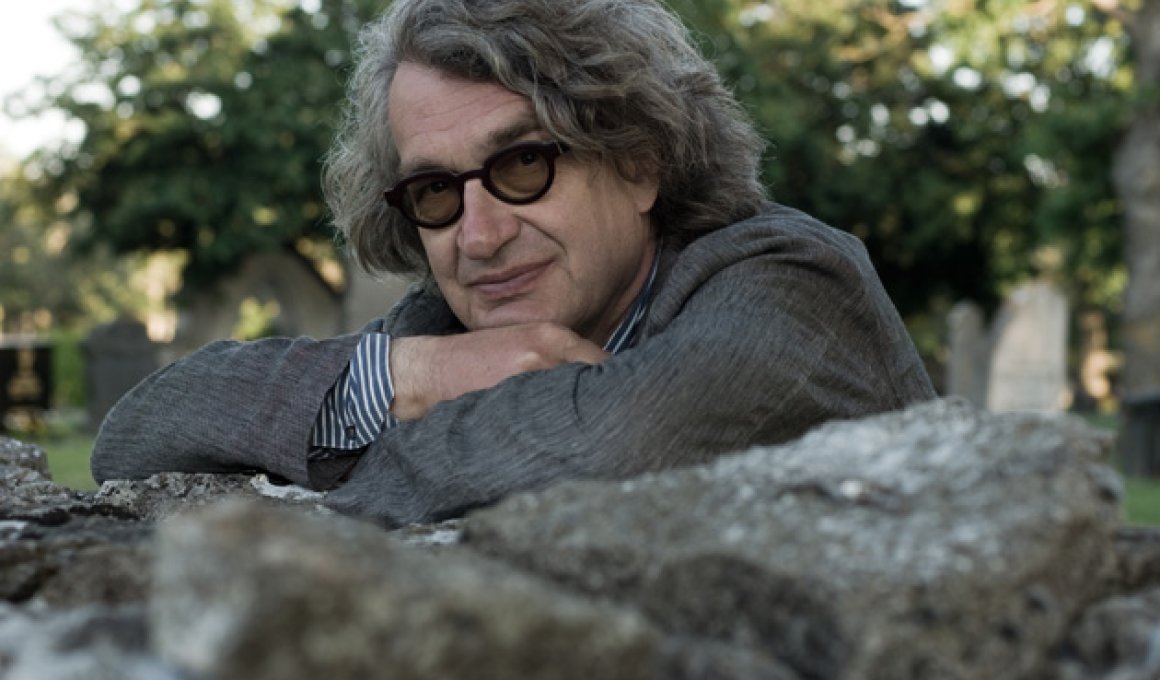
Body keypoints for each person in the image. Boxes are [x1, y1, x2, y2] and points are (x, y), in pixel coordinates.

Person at [91, 0, 935, 526]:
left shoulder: (798, 280)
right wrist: (412, 376)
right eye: (434, 190)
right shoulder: (446, 330)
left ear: (639, 160)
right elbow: (136, 438)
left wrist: (341, 467)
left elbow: (612, 447)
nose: (479, 236)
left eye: (523, 165)